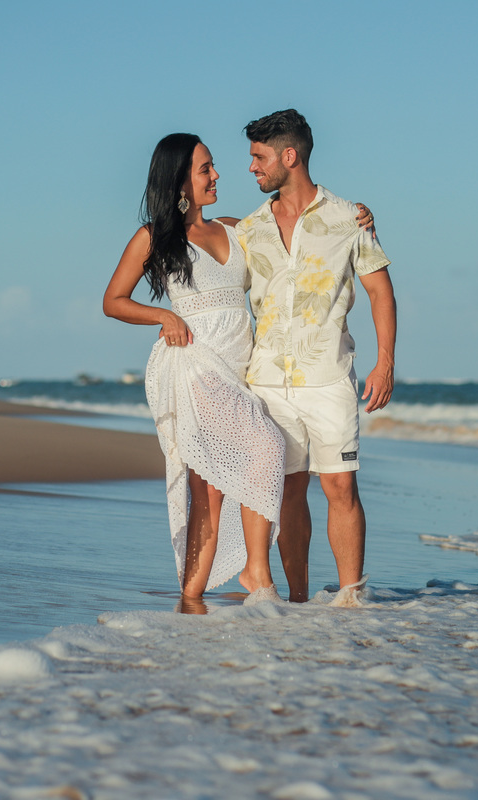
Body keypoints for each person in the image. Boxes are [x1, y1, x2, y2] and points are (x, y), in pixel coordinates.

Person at [102, 132, 375, 611]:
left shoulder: (236, 229)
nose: (217, 175)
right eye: (206, 168)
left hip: (240, 369)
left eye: (214, 166)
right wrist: (164, 316)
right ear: (180, 180)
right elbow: (113, 301)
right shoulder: (153, 237)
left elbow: (288, 232)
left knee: (210, 489)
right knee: (262, 450)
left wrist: (357, 219)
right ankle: (258, 576)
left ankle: (191, 594)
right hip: (197, 367)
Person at [236, 109, 397, 607]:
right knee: (285, 494)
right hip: (266, 381)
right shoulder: (248, 229)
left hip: (329, 377)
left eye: (259, 158)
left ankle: (351, 597)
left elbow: (380, 292)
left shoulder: (350, 218)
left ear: (290, 156)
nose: (252, 168)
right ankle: (300, 598)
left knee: (340, 487)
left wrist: (385, 362)